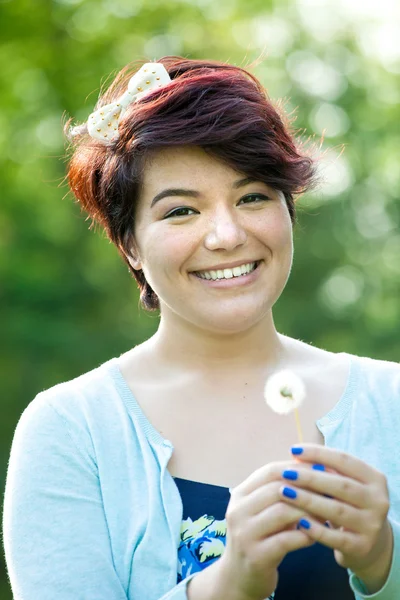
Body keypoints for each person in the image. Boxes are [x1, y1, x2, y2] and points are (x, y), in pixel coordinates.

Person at [2, 55, 399, 600]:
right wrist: (228, 584)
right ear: (131, 245)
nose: (226, 235)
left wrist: (384, 559)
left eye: (253, 197)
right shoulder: (72, 431)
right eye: (180, 211)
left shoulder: (391, 403)